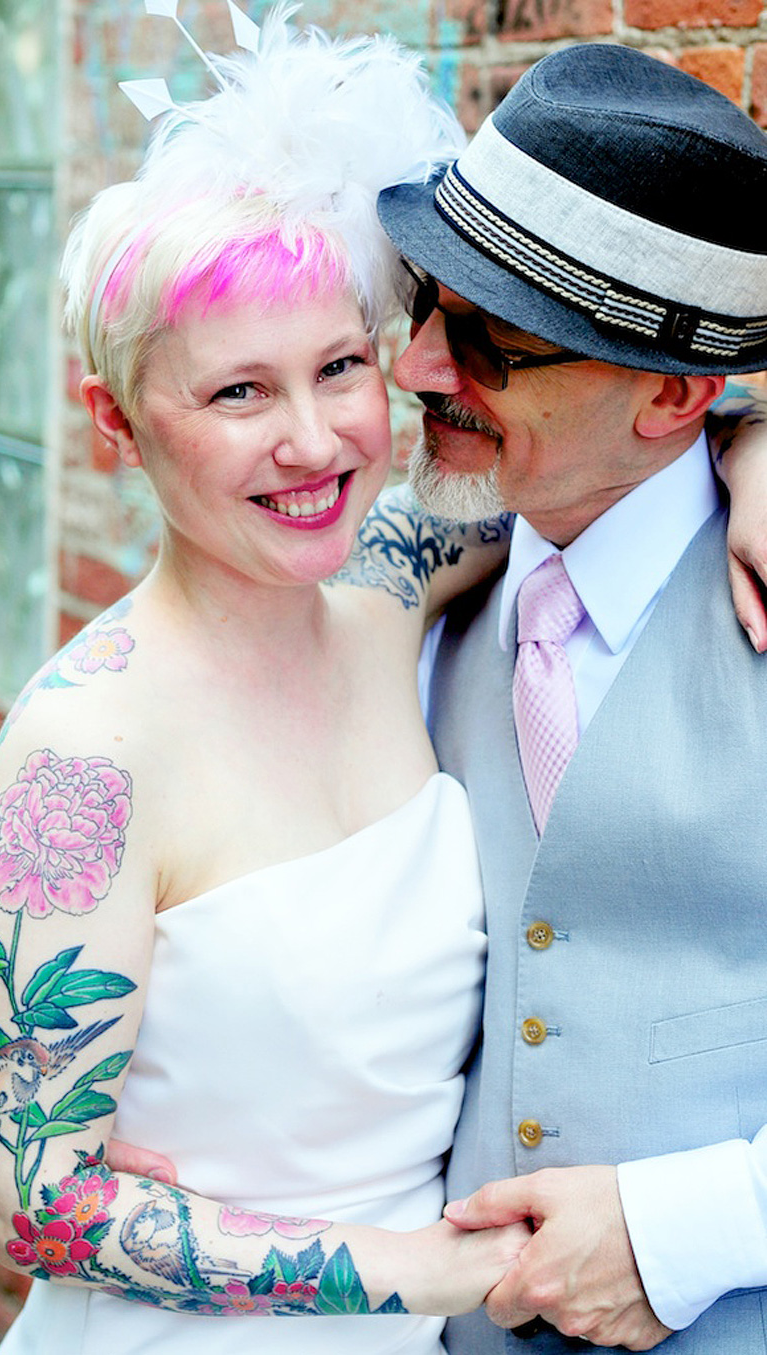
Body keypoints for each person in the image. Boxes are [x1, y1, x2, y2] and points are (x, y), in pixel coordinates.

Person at [0, 13, 535, 1355]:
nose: (315, 440)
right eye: (237, 395)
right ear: (115, 424)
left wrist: (744, 448)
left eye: (340, 368)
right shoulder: (85, 752)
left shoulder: (388, 593)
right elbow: (33, 1201)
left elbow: (558, 461)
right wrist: (417, 1274)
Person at [373, 41, 767, 1353]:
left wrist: (682, 1233)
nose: (424, 368)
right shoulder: (407, 596)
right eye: (431, 306)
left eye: (489, 341)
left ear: (673, 393)